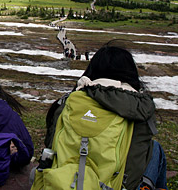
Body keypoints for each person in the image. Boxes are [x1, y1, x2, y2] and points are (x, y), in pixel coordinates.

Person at [41, 44, 168, 190]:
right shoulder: (137, 107)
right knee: (156, 148)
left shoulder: (69, 100)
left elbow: (50, 143)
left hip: (62, 182)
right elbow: (135, 163)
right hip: (115, 185)